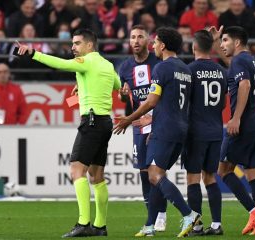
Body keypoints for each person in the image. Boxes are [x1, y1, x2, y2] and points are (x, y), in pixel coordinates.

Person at [16, 28, 121, 237]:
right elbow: (117, 86)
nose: (73, 47)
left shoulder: (87, 62)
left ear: (89, 45)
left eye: (77, 43)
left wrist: (33, 53)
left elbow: (60, 64)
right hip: (105, 122)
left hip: (90, 122)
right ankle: (100, 226)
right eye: (73, 43)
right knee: (97, 176)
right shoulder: (107, 65)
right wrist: (82, 86)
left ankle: (83, 223)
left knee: (76, 170)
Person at [113, 27, 200, 238]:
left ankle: (189, 214)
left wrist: (129, 118)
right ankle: (150, 225)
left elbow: (152, 100)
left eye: (155, 42)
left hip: (165, 128)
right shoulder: (186, 70)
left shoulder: (161, 68)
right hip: (180, 129)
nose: (153, 46)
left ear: (162, 45)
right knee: (154, 175)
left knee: (154, 174)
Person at [209, 25, 255, 236]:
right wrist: (216, 42)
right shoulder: (253, 60)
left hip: (243, 123)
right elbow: (232, 66)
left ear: (236, 42)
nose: (222, 45)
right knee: (252, 172)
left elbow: (243, 84)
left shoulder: (240, 61)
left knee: (223, 170)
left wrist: (235, 118)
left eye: (225, 40)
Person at [117, 25, 166, 235]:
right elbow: (125, 97)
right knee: (143, 172)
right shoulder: (124, 67)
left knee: (156, 170)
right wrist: (122, 94)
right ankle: (151, 216)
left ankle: (161, 214)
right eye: (133, 37)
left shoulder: (158, 63)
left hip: (158, 122)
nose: (136, 41)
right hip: (139, 124)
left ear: (148, 40)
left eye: (140, 37)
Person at [182, 30, 227, 236]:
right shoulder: (221, 70)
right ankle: (216, 225)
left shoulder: (189, 70)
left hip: (196, 131)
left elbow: (183, 102)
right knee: (210, 177)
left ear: (193, 47)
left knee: (193, 178)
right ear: (211, 48)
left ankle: (197, 225)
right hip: (216, 130)